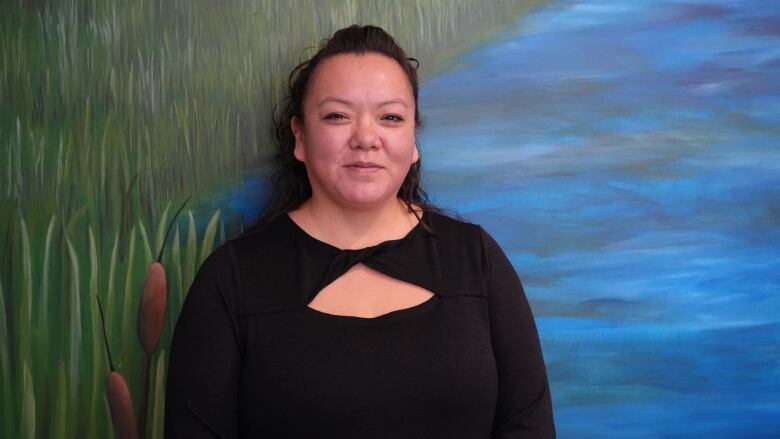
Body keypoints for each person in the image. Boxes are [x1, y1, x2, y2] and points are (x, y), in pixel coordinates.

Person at [165, 25, 555, 438]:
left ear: (414, 139)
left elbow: (528, 425)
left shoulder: (476, 259)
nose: (366, 138)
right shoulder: (232, 280)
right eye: (337, 116)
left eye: (391, 117)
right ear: (299, 136)